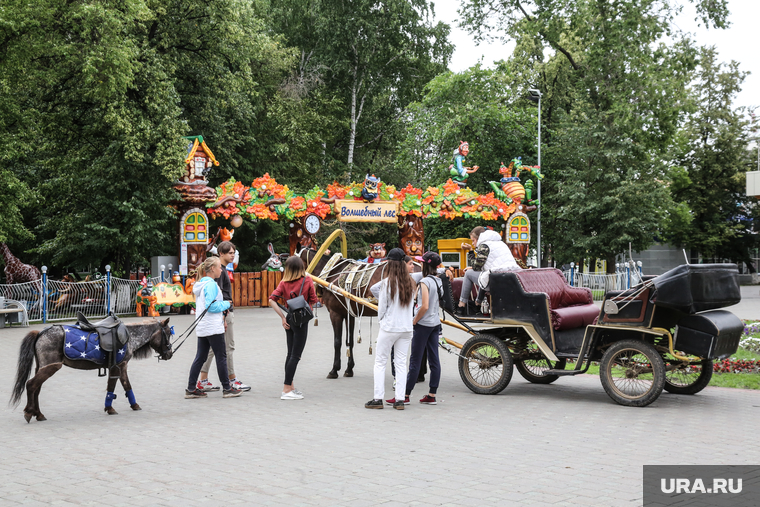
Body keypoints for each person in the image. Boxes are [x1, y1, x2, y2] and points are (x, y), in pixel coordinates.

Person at [185, 256, 242, 399]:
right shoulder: (211, 285)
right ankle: (227, 388)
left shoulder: (201, 284)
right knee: (221, 357)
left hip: (203, 326)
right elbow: (211, 306)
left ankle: (191, 389)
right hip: (212, 326)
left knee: (201, 357)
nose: (221, 270)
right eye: (219, 267)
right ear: (212, 269)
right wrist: (227, 304)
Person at [365, 248, 416, 410]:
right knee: (401, 363)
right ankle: (400, 399)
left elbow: (382, 308)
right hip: (406, 328)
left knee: (380, 362)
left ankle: (378, 398)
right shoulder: (411, 283)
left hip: (389, 327)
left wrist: (383, 321)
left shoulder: (387, 283)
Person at [197, 241, 250, 392]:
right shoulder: (220, 271)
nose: (233, 255)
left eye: (234, 252)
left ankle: (203, 380)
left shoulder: (222, 269)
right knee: (228, 347)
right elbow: (218, 297)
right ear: (221, 253)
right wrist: (224, 315)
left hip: (221, 314)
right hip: (224, 313)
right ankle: (232, 380)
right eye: (229, 253)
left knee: (214, 349)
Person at [392, 251, 443, 406]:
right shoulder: (438, 280)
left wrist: (414, 320)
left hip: (423, 325)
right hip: (435, 324)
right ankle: (432, 394)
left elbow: (424, 306)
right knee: (434, 360)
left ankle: (405, 395)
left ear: (426, 264)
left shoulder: (424, 282)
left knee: (415, 360)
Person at [269, 256, 318, 400]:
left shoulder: (284, 282)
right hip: (301, 321)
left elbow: (272, 299)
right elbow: (314, 300)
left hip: (289, 318)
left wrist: (283, 317)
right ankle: (286, 389)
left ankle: (290, 386)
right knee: (296, 356)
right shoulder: (307, 280)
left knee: (290, 354)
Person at [457, 227, 521, 316]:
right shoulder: (500, 243)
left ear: (479, 238)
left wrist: (470, 251)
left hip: (497, 280)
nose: (472, 243)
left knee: (468, 274)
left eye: (473, 240)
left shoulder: (484, 246)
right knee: (484, 276)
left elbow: (476, 267)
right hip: (509, 277)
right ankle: (477, 305)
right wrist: (473, 267)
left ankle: (461, 306)